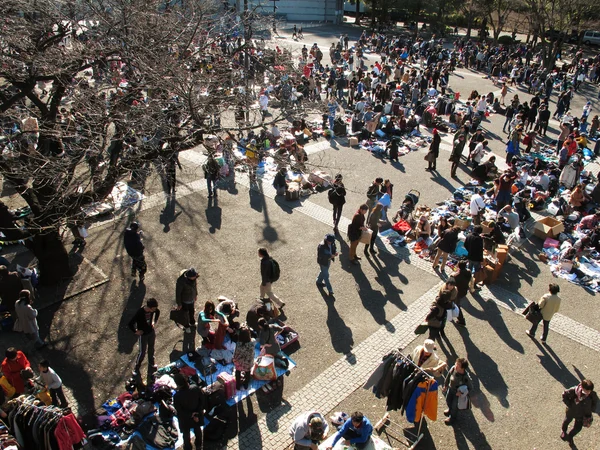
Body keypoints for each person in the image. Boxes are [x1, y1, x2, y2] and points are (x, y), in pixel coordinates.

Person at [173, 373, 205, 450]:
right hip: (197, 415)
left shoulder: (177, 396)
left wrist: (191, 414)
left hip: (185, 418)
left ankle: (188, 447)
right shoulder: (195, 388)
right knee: (197, 430)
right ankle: (198, 445)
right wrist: (196, 414)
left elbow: (179, 410)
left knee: (186, 434)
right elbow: (202, 401)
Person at [128, 298, 160, 377]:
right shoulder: (140, 312)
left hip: (151, 332)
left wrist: (154, 321)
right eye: (154, 308)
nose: (155, 310)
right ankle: (137, 367)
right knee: (142, 352)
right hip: (143, 335)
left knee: (151, 347)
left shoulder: (153, 310)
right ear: (149, 307)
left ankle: (151, 362)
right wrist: (136, 331)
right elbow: (130, 323)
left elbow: (158, 312)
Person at [561, 379, 597, 446]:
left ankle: (570, 437)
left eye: (590, 391)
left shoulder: (592, 394)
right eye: (587, 391)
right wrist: (570, 405)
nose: (589, 392)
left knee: (578, 428)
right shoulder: (574, 391)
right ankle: (564, 431)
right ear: (582, 388)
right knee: (567, 421)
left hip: (582, 415)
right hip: (572, 411)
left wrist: (591, 409)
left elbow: (595, 402)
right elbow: (564, 396)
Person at [442, 358, 473, 425]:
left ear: (462, 368)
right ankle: (449, 410)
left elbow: (470, 388)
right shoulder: (453, 368)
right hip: (450, 389)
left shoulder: (465, 377)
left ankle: (452, 418)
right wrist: (445, 385)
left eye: (458, 365)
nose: (456, 365)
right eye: (456, 363)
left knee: (454, 406)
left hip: (457, 394)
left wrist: (461, 393)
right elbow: (448, 376)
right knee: (448, 400)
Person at [233, 326, 255, 390]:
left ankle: (238, 385)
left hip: (239, 362)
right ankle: (246, 385)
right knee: (247, 373)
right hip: (248, 362)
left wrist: (234, 359)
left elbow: (236, 353)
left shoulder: (238, 343)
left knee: (238, 372)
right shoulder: (252, 342)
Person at [464, 226, 484, 291]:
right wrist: (481, 259)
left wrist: (469, 250)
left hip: (470, 256)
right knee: (476, 272)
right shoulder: (479, 239)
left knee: (469, 270)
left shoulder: (469, 236)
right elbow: (480, 250)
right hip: (476, 258)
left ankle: (466, 283)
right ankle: (474, 284)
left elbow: (465, 245)